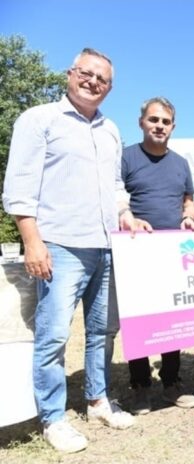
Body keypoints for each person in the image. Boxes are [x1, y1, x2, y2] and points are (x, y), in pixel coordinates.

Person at [2, 48, 134, 453]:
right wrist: (32, 240)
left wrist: (127, 215)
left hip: (106, 246)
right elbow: (19, 186)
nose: (93, 82)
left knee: (102, 332)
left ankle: (97, 401)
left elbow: (115, 187)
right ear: (70, 73)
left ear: (110, 88)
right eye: (86, 73)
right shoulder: (39, 119)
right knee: (54, 335)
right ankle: (53, 418)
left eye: (102, 79)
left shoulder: (111, 130)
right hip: (59, 245)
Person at [120, 97, 194, 414]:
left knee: (171, 319)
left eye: (165, 122)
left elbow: (189, 202)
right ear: (141, 122)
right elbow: (115, 200)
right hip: (135, 251)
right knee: (137, 319)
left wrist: (189, 216)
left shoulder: (180, 163)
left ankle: (171, 381)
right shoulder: (125, 158)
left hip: (172, 253)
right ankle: (140, 385)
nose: (159, 126)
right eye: (154, 120)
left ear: (173, 127)